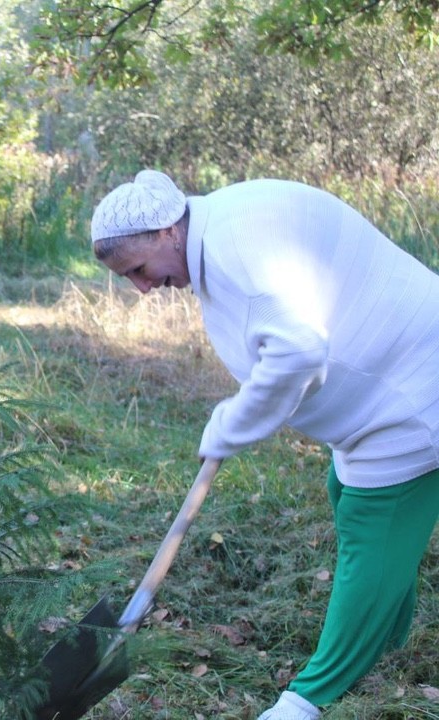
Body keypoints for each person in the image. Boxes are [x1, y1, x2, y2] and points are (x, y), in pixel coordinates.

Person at [90, 170, 439, 719]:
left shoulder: (238, 254)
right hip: (387, 386)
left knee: (373, 526)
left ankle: (308, 699)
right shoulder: (218, 229)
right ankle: (389, 637)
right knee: (345, 495)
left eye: (138, 270)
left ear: (166, 233)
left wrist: (235, 422)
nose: (142, 288)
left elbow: (298, 351)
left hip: (415, 394)